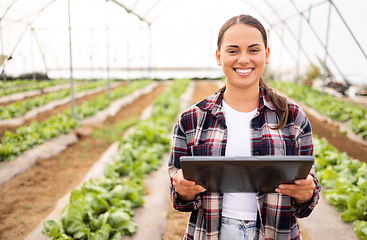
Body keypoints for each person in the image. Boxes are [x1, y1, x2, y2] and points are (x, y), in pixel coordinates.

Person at [168, 14, 321, 240]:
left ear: (266, 55)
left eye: (253, 50)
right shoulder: (193, 118)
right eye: (232, 51)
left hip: (275, 232)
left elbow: (307, 198)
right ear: (218, 57)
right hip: (210, 233)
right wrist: (182, 190)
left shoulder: (293, 117)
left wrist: (306, 193)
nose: (243, 59)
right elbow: (177, 193)